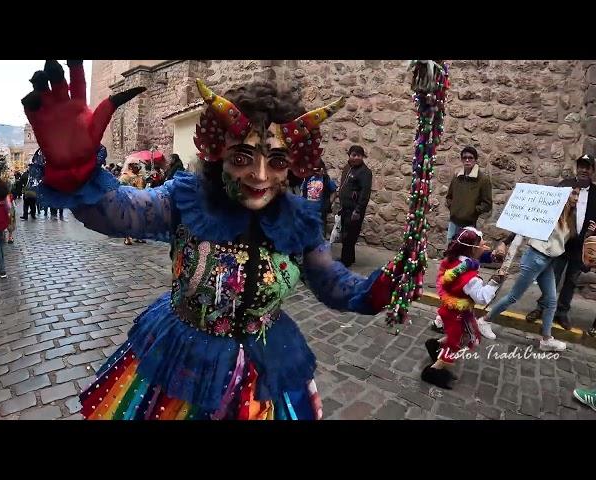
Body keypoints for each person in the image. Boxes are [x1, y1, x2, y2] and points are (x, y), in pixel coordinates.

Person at [22, 60, 397, 420]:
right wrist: (78, 172)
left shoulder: (299, 222)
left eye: (277, 161)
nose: (259, 175)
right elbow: (121, 211)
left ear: (293, 166)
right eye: (243, 158)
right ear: (219, 156)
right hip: (184, 361)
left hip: (266, 365)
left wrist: (372, 291)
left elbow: (331, 281)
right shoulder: (187, 201)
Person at [477, 183, 581, 350]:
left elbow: (570, 240)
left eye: (578, 195)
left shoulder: (570, 216)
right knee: (514, 296)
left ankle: (546, 339)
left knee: (551, 300)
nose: (576, 198)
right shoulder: (550, 210)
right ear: (565, 194)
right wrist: (505, 242)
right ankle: (484, 321)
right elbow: (524, 223)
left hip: (548, 262)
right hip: (535, 258)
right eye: (573, 194)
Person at [422, 227, 503, 389]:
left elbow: (479, 257)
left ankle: (436, 345)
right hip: (457, 314)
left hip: (453, 310)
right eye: (481, 243)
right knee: (457, 341)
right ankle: (434, 370)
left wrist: (495, 253)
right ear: (472, 249)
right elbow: (482, 297)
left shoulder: (456, 260)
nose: (485, 244)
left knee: (467, 335)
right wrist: (495, 282)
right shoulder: (469, 277)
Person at [526, 154, 596, 331]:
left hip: (580, 247)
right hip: (561, 242)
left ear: (593, 171)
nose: (583, 170)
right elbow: (550, 212)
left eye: (587, 167)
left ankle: (562, 312)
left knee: (571, 281)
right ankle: (541, 307)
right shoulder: (564, 186)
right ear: (577, 168)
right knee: (552, 277)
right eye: (581, 166)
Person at [445, 146, 493, 243]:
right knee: (450, 248)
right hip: (453, 221)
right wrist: (453, 208)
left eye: (470, 158)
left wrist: (472, 212)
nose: (467, 160)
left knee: (464, 251)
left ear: (475, 160)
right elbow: (449, 196)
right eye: (464, 157)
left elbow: (487, 204)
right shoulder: (457, 177)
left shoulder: (483, 179)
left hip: (469, 224)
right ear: (462, 160)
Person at [338, 145, 372, 267]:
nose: (356, 157)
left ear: (362, 157)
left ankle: (345, 261)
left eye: (359, 155)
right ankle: (349, 258)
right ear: (349, 155)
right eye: (354, 155)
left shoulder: (365, 172)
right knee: (345, 233)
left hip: (354, 210)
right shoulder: (348, 168)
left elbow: (365, 193)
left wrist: (358, 210)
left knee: (349, 235)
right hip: (345, 208)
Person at [301, 160, 337, 236]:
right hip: (308, 211)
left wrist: (328, 203)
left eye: (318, 169)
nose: (316, 172)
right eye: (314, 170)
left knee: (320, 232)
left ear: (322, 169)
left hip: (320, 211)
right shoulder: (308, 179)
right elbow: (303, 191)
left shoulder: (326, 180)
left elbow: (333, 192)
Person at [118, 161, 146, 245]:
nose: (138, 167)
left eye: (138, 166)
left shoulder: (140, 176)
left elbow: (142, 186)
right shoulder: (125, 177)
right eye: (135, 166)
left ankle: (139, 236)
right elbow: (121, 188)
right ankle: (127, 237)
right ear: (130, 167)